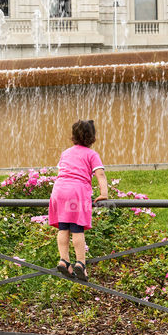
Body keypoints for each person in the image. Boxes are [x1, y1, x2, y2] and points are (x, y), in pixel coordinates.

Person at [48, 119, 109, 282]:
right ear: (92, 137)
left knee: (63, 228)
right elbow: (100, 174)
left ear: (73, 136)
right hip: (76, 192)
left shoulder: (66, 153)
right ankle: (80, 263)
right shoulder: (91, 154)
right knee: (77, 229)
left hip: (59, 190)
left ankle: (64, 260)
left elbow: (62, 171)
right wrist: (104, 193)